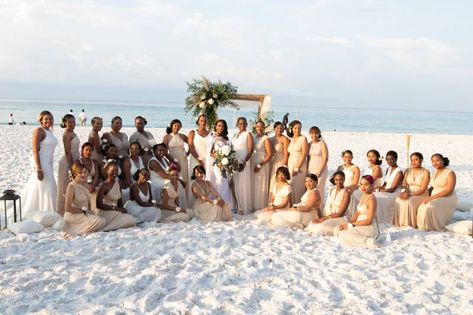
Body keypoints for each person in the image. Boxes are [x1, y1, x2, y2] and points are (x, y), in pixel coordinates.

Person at [21, 110, 58, 216]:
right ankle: (47, 213)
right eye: (46, 119)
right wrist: (39, 168)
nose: (48, 121)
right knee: (48, 186)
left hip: (49, 162)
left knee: (41, 186)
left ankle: (43, 211)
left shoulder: (49, 132)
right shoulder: (39, 131)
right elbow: (35, 151)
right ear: (41, 120)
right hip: (41, 162)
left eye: (50, 119)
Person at [334, 175, 379, 247]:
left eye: (366, 184)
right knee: (338, 229)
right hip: (358, 223)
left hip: (368, 227)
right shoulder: (364, 195)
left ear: (372, 185)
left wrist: (352, 225)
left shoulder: (371, 200)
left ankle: (368, 241)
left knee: (343, 234)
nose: (363, 187)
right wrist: (348, 223)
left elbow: (369, 220)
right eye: (361, 184)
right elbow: (357, 213)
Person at [417, 154, 457, 231]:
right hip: (435, 195)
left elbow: (449, 190)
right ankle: (423, 226)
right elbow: (433, 185)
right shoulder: (435, 171)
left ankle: (433, 226)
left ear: (442, 160)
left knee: (430, 206)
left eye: (438, 160)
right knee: (421, 207)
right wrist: (426, 194)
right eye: (433, 161)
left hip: (447, 197)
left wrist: (431, 198)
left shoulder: (450, 173)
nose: (435, 163)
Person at [63, 162, 105, 235]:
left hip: (83, 214)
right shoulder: (71, 186)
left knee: (102, 220)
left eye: (85, 172)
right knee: (98, 221)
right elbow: (67, 208)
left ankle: (82, 227)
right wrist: (84, 211)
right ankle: (74, 230)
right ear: (75, 174)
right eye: (80, 173)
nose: (83, 175)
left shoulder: (86, 185)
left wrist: (89, 211)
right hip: (73, 215)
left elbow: (87, 202)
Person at [95, 160, 137, 231]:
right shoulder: (104, 185)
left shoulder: (118, 183)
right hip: (106, 211)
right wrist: (115, 209)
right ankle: (108, 226)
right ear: (107, 170)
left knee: (132, 220)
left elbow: (120, 202)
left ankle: (115, 223)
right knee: (131, 220)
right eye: (113, 170)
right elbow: (98, 205)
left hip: (115, 211)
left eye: (117, 171)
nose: (115, 173)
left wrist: (121, 209)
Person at [306, 171, 351, 236]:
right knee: (312, 223)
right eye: (336, 180)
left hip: (339, 218)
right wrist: (322, 216)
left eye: (341, 180)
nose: (338, 182)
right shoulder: (332, 190)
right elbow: (327, 206)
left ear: (344, 179)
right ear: (334, 180)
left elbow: (341, 213)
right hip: (328, 216)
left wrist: (325, 218)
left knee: (321, 226)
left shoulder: (346, 192)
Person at [393, 152, 430, 228]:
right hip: (408, 192)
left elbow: (423, 188)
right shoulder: (407, 170)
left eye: (416, 160)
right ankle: (401, 223)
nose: (413, 162)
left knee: (410, 200)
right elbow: (404, 185)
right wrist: (404, 192)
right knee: (398, 199)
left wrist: (410, 194)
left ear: (421, 160)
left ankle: (410, 223)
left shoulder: (425, 172)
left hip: (421, 194)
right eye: (412, 160)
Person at [57, 114, 80, 216]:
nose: (72, 124)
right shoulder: (66, 134)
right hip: (67, 162)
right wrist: (72, 167)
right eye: (69, 122)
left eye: (73, 122)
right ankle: (61, 211)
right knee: (64, 187)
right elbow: (67, 152)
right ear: (65, 123)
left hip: (74, 160)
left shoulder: (72, 132)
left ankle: (70, 208)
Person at [206, 119, 233, 208]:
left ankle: (225, 203)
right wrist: (219, 157)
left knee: (224, 181)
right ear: (216, 126)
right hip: (216, 164)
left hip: (225, 164)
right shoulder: (212, 138)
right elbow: (208, 152)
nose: (221, 127)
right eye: (219, 125)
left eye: (223, 126)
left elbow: (230, 151)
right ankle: (218, 202)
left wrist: (228, 159)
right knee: (219, 180)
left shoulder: (226, 139)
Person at [232, 117, 254, 214]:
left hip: (244, 161)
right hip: (235, 161)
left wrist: (244, 162)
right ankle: (238, 205)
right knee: (235, 183)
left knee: (243, 183)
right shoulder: (235, 135)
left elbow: (250, 150)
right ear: (237, 124)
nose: (242, 125)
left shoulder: (248, 134)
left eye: (244, 123)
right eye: (240, 123)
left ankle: (244, 207)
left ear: (246, 124)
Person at [374, 151, 403, 224]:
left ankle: (380, 219)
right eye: (387, 159)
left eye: (392, 159)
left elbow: (392, 189)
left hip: (394, 193)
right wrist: (379, 187)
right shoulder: (388, 169)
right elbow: (385, 183)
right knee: (372, 194)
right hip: (386, 190)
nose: (389, 161)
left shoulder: (399, 172)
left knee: (377, 196)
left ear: (396, 159)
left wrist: (380, 190)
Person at [163, 119, 189, 196]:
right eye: (175, 125)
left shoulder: (182, 136)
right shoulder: (167, 137)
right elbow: (164, 151)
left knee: (183, 178)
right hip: (173, 159)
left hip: (183, 160)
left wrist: (188, 153)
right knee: (175, 177)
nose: (177, 127)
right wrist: (173, 161)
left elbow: (192, 144)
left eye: (179, 126)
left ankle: (184, 197)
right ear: (171, 126)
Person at [252, 120, 273, 211]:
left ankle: (260, 206)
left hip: (262, 163)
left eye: (261, 126)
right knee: (255, 184)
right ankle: (253, 204)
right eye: (257, 127)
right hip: (254, 161)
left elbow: (270, 154)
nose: (259, 128)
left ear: (264, 128)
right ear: (255, 128)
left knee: (261, 183)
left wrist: (260, 165)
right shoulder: (253, 137)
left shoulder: (266, 139)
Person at [287, 120, 308, 203]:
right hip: (290, 163)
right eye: (295, 128)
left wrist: (297, 167)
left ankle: (298, 204)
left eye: (299, 128)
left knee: (298, 186)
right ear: (292, 129)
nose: (297, 130)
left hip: (300, 164)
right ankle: (291, 204)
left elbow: (304, 154)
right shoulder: (291, 139)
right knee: (290, 185)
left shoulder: (303, 139)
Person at [307, 126, 328, 204]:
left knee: (318, 189)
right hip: (310, 169)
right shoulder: (309, 144)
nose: (314, 135)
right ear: (310, 134)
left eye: (316, 133)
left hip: (320, 169)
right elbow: (308, 158)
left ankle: (319, 209)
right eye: (312, 133)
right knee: (310, 189)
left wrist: (319, 171)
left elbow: (325, 158)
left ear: (319, 134)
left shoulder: (322, 143)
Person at [337, 150, 361, 216]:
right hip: (341, 187)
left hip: (351, 188)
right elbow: (336, 179)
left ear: (352, 157)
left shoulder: (356, 168)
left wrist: (346, 188)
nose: (347, 159)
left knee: (347, 194)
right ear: (343, 157)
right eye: (345, 157)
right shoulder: (340, 167)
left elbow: (355, 183)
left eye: (349, 157)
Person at [269, 121, 289, 190]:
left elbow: (286, 153)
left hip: (280, 161)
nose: (279, 130)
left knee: (278, 181)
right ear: (274, 129)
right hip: (272, 162)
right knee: (271, 181)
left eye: (281, 128)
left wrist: (284, 166)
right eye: (277, 128)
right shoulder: (270, 139)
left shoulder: (285, 139)